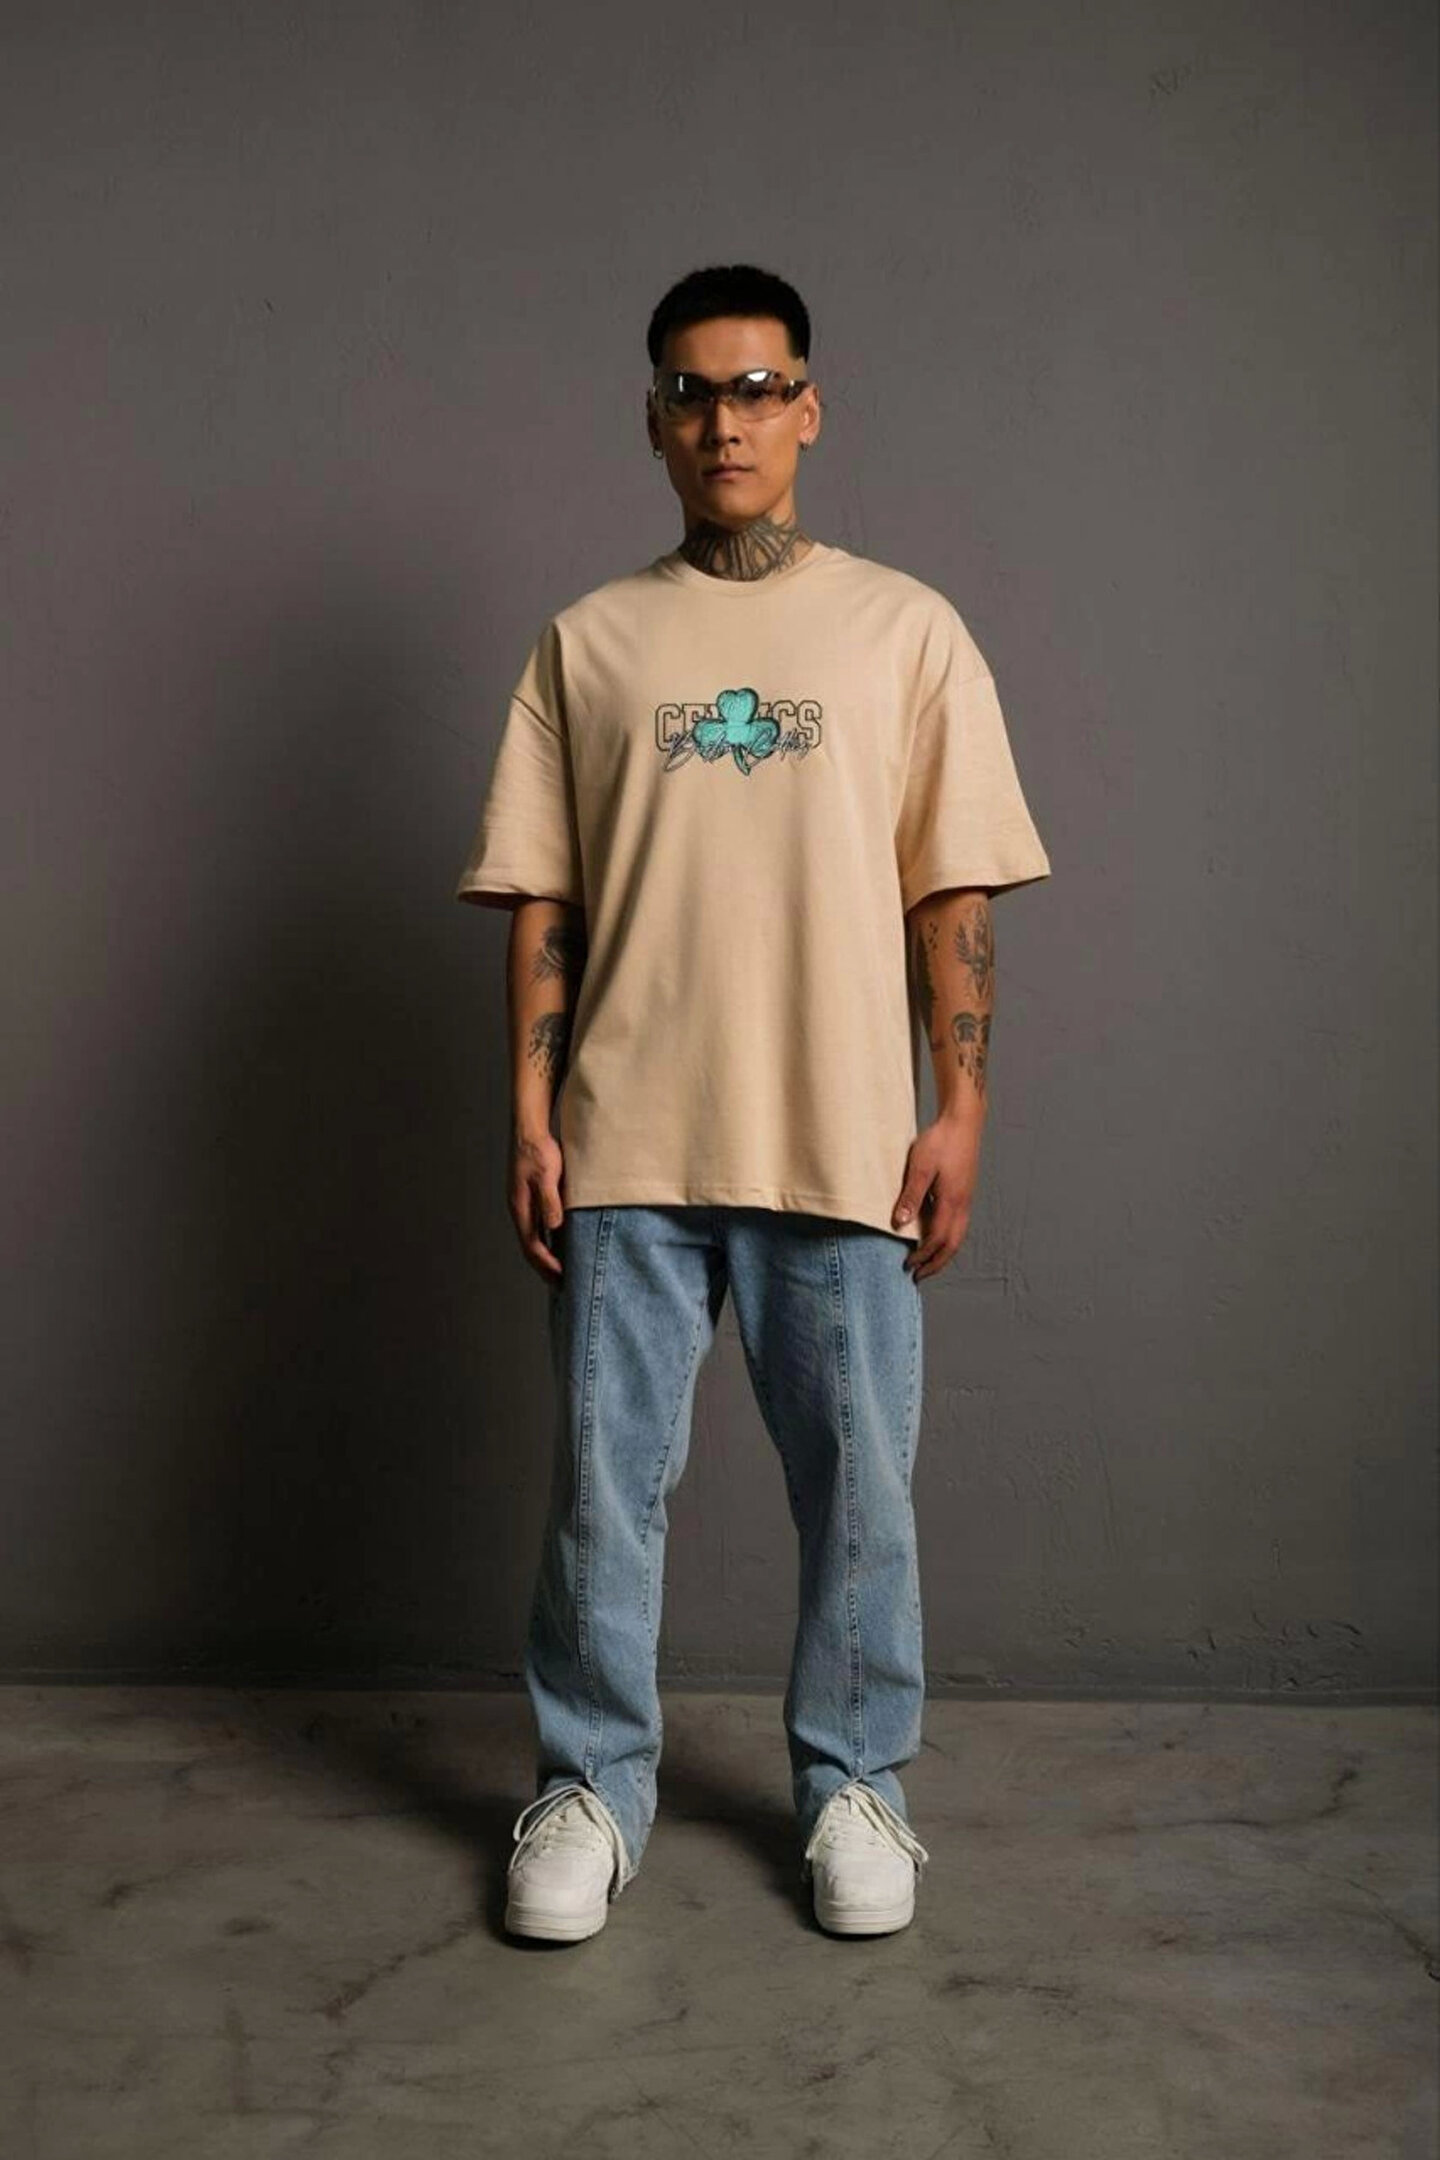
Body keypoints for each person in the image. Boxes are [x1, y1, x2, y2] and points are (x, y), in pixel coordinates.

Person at [454, 263, 1051, 1943]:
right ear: (652, 420)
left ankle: (857, 1788)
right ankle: (590, 1790)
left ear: (810, 409)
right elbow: (546, 900)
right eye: (693, 392)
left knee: (860, 1495)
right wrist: (531, 1112)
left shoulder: (907, 630)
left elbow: (953, 891)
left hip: (841, 1137)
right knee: (602, 1495)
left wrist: (961, 1107)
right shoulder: (588, 642)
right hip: (627, 1138)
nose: (727, 420)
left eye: (758, 387)